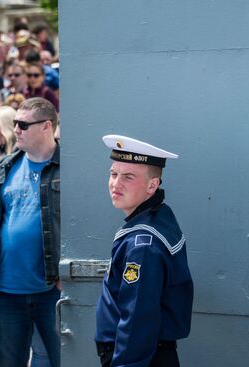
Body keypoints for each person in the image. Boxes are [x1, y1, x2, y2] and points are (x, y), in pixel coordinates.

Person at [95, 135, 194, 367]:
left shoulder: (143, 244)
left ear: (152, 185)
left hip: (138, 358)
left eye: (128, 177)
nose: (115, 183)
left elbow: (138, 318)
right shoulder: (158, 215)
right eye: (113, 174)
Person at [0, 97, 61, 367]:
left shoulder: (69, 169)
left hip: (51, 290)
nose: (15, 129)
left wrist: (65, 278)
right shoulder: (3, 167)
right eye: (15, 123)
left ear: (46, 126)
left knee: (64, 359)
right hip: (6, 292)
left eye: (23, 124)